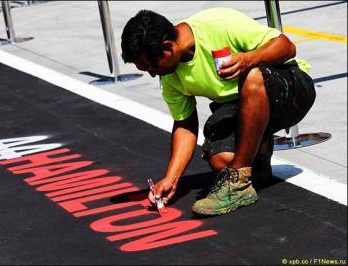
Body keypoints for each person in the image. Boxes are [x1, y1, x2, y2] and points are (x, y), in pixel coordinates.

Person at [120, 7, 316, 216]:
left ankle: (238, 184)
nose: (152, 74)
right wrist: (171, 178)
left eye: (151, 66)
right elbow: (185, 125)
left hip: (291, 90)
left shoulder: (219, 24)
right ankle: (257, 152)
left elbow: (287, 46)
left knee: (253, 78)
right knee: (220, 159)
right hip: (242, 107)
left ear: (168, 48)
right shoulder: (170, 78)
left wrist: (249, 59)